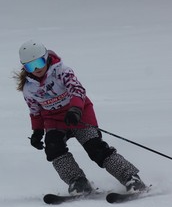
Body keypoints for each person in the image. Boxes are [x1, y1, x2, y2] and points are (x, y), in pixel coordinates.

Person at [15, 39, 146, 195]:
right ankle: (78, 182)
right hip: (55, 121)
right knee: (53, 148)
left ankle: (131, 177)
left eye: (39, 62)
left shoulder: (62, 71)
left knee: (95, 147)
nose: (37, 68)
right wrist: (37, 132)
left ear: (46, 58)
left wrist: (75, 109)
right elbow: (35, 110)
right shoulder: (29, 88)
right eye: (31, 65)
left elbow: (77, 90)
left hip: (79, 114)